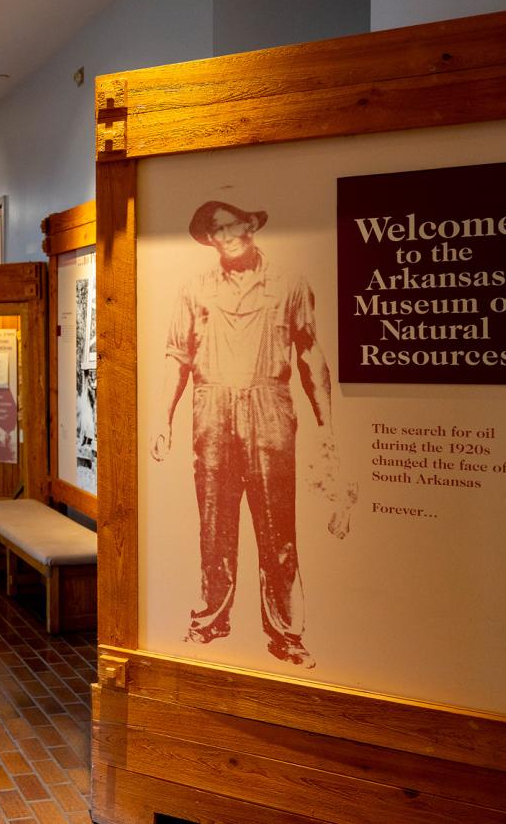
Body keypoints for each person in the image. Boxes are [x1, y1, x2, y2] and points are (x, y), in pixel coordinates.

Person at [151, 200, 346, 669]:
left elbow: (310, 354)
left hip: (270, 409)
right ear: (210, 239)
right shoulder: (194, 288)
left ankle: (286, 633)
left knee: (278, 525)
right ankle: (211, 619)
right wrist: (164, 418)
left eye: (233, 224)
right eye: (215, 230)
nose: (227, 234)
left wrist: (328, 427)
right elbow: (177, 357)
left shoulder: (289, 283)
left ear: (251, 225)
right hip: (212, 411)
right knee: (215, 524)